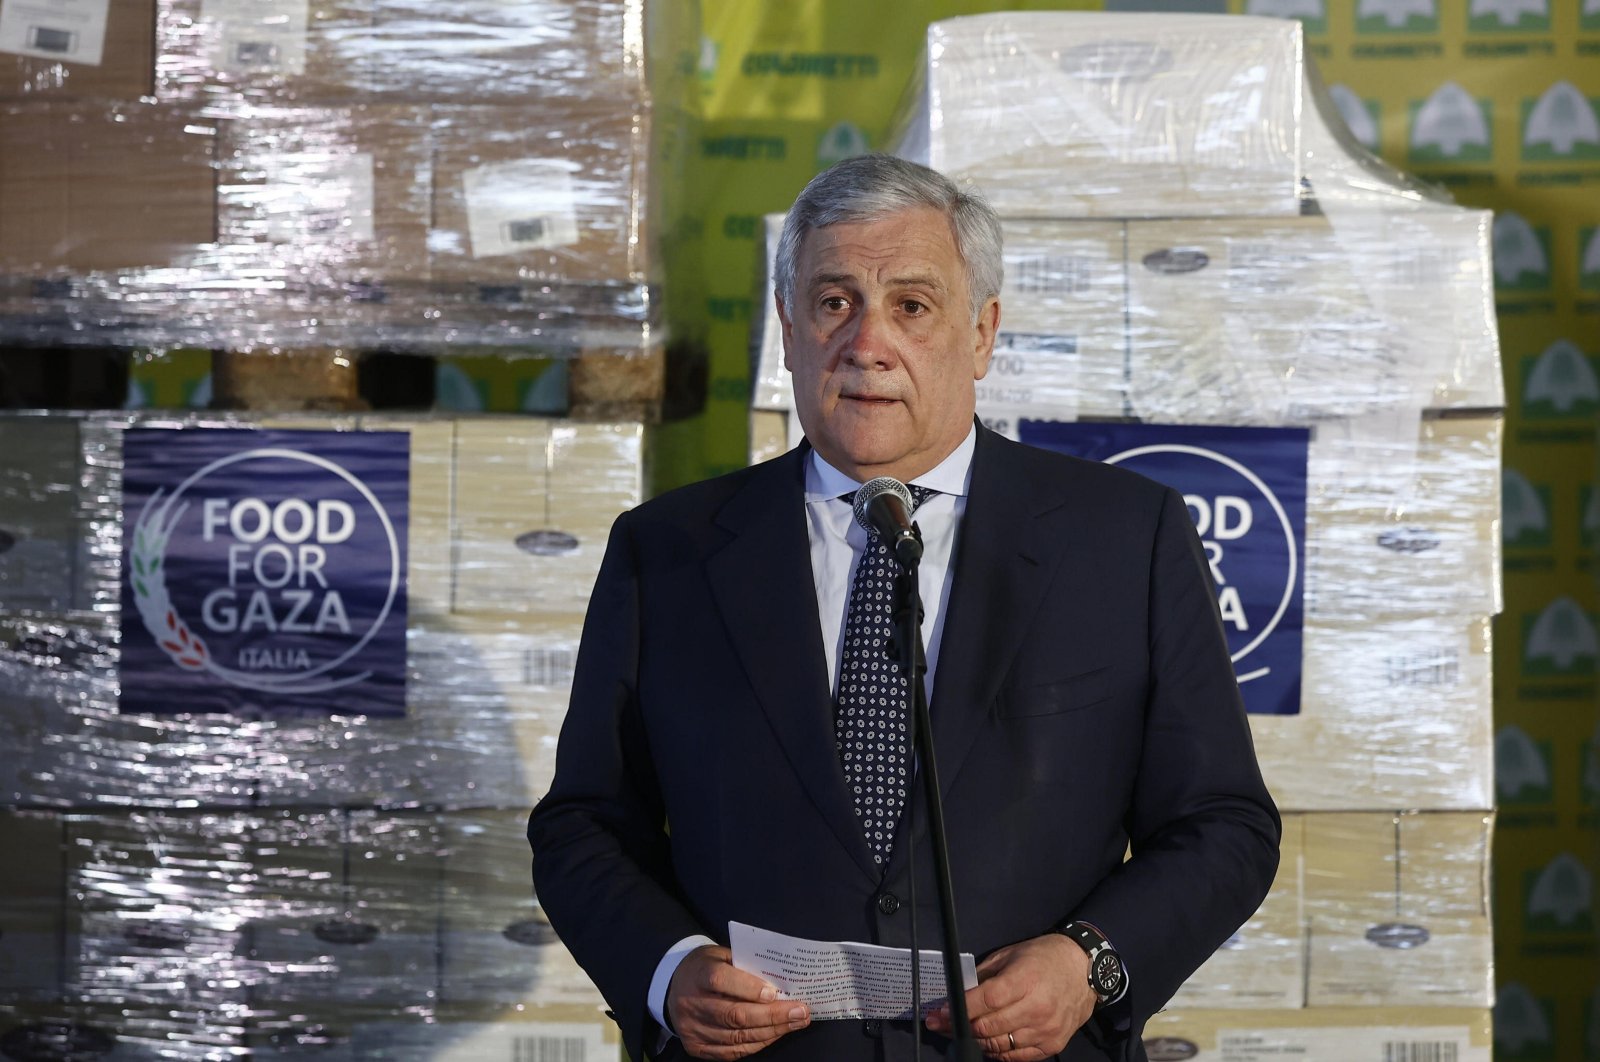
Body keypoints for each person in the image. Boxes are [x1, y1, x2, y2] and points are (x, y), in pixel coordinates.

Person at [528, 154, 1280, 1062]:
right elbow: (583, 826)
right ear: (789, 329)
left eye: (912, 307)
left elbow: (1223, 826)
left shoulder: (1124, 539)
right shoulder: (667, 551)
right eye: (834, 302)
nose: (868, 343)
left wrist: (1089, 965)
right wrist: (669, 968)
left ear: (982, 333)